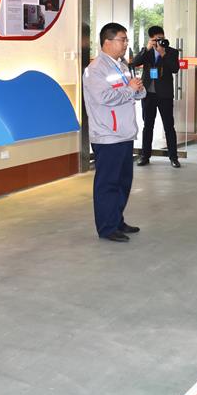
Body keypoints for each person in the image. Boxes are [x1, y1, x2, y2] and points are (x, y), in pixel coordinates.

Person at [82, 22, 145, 242]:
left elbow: (131, 92)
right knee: (108, 183)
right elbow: (104, 98)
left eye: (126, 40)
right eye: (122, 39)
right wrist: (130, 89)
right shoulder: (96, 69)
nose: (126, 44)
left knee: (123, 181)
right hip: (108, 135)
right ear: (107, 42)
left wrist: (138, 89)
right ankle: (107, 228)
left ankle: (117, 220)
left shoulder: (122, 65)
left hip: (124, 133)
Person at [132, 26, 181, 168]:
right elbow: (135, 62)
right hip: (148, 94)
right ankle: (145, 156)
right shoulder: (147, 51)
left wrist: (163, 53)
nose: (160, 41)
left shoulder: (171, 51)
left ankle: (174, 157)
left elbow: (175, 69)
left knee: (169, 126)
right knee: (148, 126)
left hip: (165, 94)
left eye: (162, 38)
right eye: (156, 39)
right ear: (151, 39)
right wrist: (146, 48)